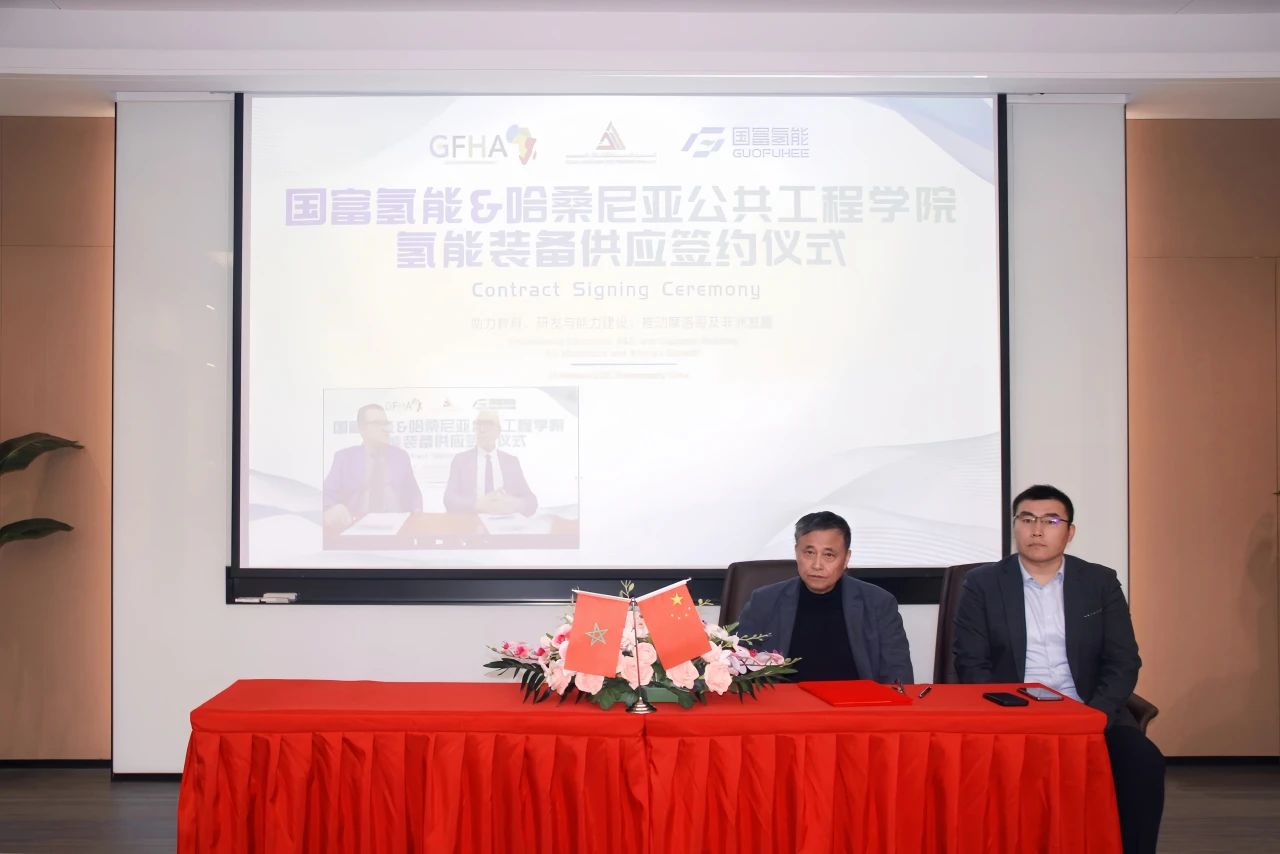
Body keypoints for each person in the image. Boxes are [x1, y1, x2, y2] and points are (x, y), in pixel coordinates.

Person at [953, 484, 1164, 854]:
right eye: (1027, 519)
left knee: (1143, 762)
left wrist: (1095, 714)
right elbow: (971, 663)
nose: (1037, 530)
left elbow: (1123, 660)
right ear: (1014, 527)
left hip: (1091, 711)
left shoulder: (1099, 582)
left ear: (1070, 532)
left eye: (1050, 521)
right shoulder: (983, 584)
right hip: (1012, 716)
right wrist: (1009, 715)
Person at [736, 511, 913, 683]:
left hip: (855, 701)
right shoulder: (764, 602)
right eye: (809, 553)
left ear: (846, 558)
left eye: (829, 555)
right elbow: (738, 670)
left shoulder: (879, 604)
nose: (817, 565)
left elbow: (898, 676)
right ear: (797, 552)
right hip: (786, 701)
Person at [322, 403, 423, 529]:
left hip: (397, 527)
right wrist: (332, 509)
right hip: (356, 526)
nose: (384, 429)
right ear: (362, 429)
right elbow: (327, 495)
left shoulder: (401, 457)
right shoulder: (344, 458)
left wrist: (415, 517)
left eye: (386, 424)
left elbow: (414, 495)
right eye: (377, 423)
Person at [442, 410, 538, 516]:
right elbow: (449, 499)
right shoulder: (461, 460)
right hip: (472, 521)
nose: (482, 430)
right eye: (478, 425)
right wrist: (477, 504)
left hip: (505, 522)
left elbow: (531, 502)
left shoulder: (511, 462)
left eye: (488, 424)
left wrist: (515, 503)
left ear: (498, 432)